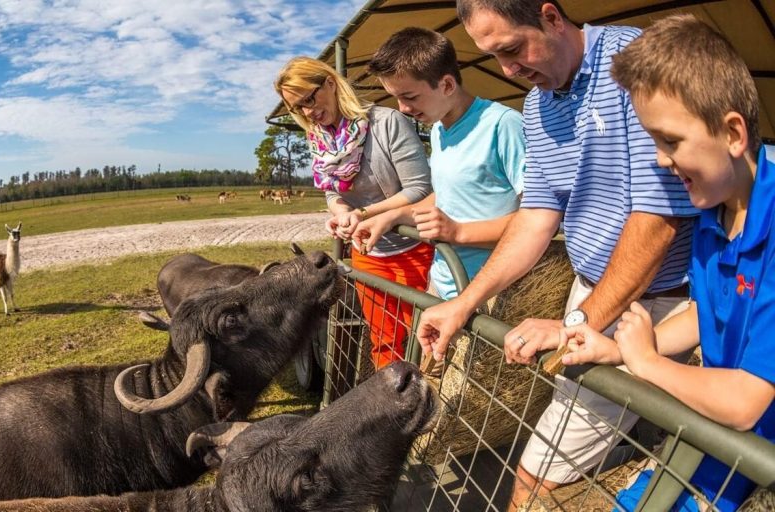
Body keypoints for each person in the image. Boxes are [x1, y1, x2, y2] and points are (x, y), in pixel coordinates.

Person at [416, 1, 699, 509]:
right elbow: (535, 217)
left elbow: (657, 220)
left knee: (536, 475)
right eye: (493, 57)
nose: (508, 70)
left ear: (550, 16)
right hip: (597, 297)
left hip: (663, 301)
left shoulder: (638, 64)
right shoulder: (538, 105)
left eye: (510, 49)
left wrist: (575, 324)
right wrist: (466, 303)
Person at [560, 14, 774, 511]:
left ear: (733, 133)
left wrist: (648, 363)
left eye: (670, 141)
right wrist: (617, 351)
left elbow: (746, 402)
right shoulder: (715, 212)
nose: (660, 161)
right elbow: (709, 312)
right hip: (718, 438)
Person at [274, 57, 433, 369]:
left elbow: (420, 189)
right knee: (383, 341)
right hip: (369, 254)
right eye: (298, 107)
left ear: (330, 83)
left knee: (422, 344)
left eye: (309, 98)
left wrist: (362, 212)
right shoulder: (319, 139)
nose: (308, 112)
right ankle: (392, 409)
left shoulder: (387, 123)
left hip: (414, 250)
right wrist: (342, 211)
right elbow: (332, 192)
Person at [352, 27, 525, 309]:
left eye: (410, 96)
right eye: (397, 98)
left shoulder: (503, 125)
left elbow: (538, 219)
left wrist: (458, 233)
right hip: (444, 282)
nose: (403, 108)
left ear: (446, 85)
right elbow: (447, 195)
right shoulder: (438, 129)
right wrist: (393, 216)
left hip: (493, 296)